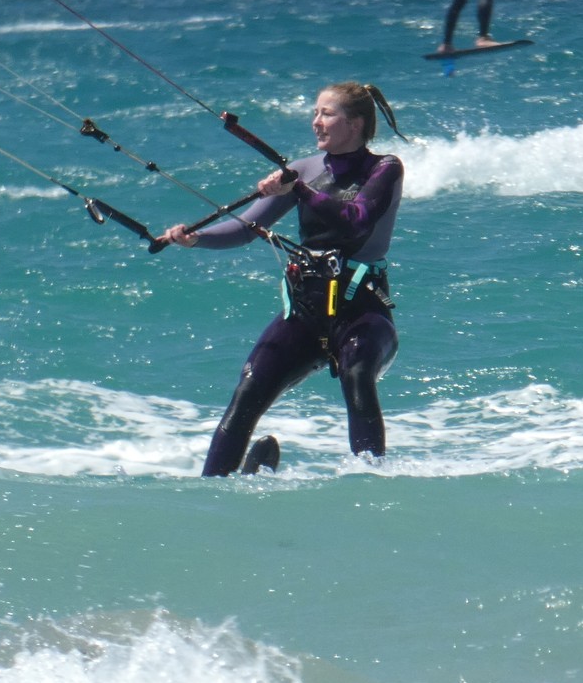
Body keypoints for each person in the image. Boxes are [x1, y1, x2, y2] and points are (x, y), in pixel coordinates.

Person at [159, 82, 405, 476]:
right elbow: (244, 229)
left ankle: (371, 481)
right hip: (306, 310)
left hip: (363, 310)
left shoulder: (385, 168)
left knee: (357, 371)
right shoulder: (304, 171)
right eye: (315, 113)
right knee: (249, 388)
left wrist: (299, 190)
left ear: (355, 123)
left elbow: (357, 219)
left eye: (327, 114)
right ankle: (211, 490)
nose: (316, 122)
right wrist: (195, 239)